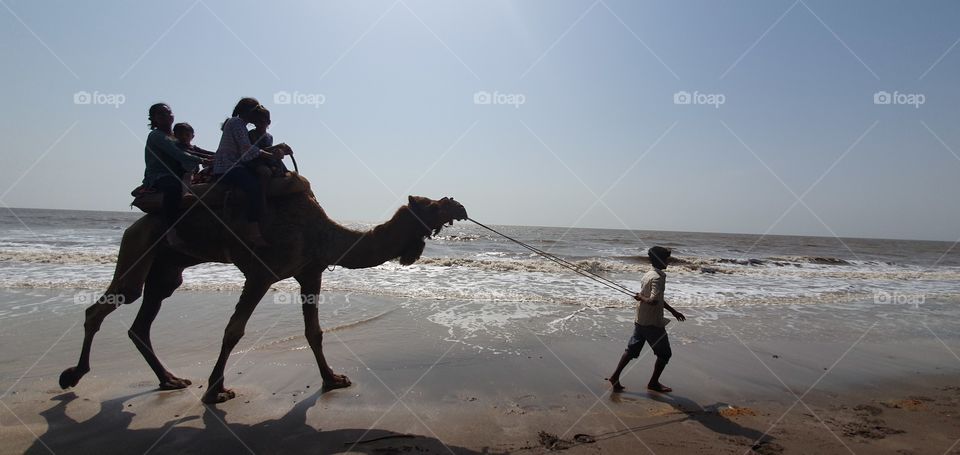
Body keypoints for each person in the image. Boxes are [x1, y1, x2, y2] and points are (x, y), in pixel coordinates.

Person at [608, 246, 686, 393]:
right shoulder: (657, 277)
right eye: (666, 259)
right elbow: (653, 301)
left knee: (631, 351)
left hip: (641, 319)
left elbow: (657, 299)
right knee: (664, 354)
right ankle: (653, 383)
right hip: (652, 323)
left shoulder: (648, 274)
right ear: (659, 260)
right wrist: (641, 297)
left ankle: (615, 377)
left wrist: (674, 311)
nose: (668, 261)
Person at [212, 97, 284, 246]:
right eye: (256, 113)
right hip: (228, 167)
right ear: (249, 112)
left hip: (237, 164)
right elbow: (246, 150)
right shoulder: (236, 123)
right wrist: (271, 155)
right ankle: (253, 230)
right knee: (254, 187)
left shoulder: (242, 126)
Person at [142, 103, 204, 246]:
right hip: (160, 175)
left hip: (179, 173)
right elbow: (179, 154)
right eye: (161, 114)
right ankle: (171, 230)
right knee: (174, 188)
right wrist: (203, 160)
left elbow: (193, 151)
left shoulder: (175, 137)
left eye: (168, 113)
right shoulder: (156, 136)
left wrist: (217, 156)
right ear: (154, 119)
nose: (166, 116)